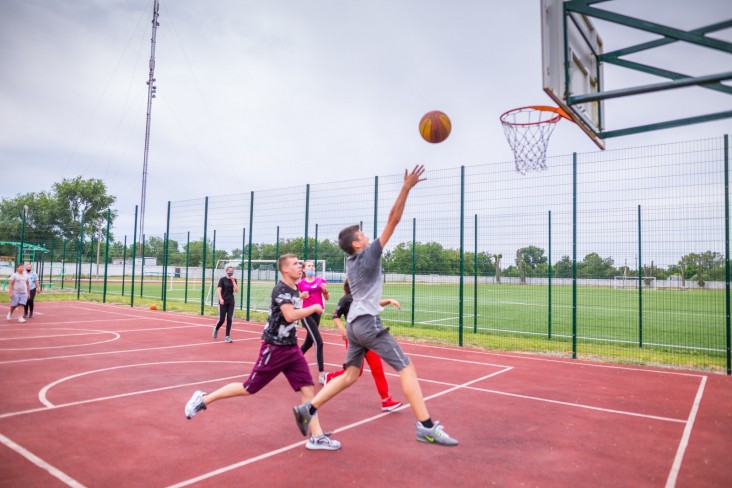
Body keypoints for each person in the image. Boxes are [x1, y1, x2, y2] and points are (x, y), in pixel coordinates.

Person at [293, 165, 458, 447]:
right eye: (362, 234)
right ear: (357, 244)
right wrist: (406, 188)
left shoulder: (351, 261)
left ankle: (307, 409)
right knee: (406, 368)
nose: (367, 236)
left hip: (355, 325)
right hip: (368, 323)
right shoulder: (367, 256)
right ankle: (426, 426)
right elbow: (393, 221)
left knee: (350, 375)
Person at [185, 254, 341, 451]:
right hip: (274, 348)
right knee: (249, 387)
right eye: (295, 264)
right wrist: (313, 308)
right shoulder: (281, 289)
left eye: (301, 264)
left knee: (307, 387)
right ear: (285, 269)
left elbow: (294, 307)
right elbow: (290, 315)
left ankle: (316, 436)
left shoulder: (295, 288)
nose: (300, 267)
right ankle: (203, 399)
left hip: (291, 347)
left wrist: (311, 296)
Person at [325, 279, 402, 412]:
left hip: (369, 339)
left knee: (377, 368)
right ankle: (331, 377)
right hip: (355, 340)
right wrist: (342, 329)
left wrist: (389, 300)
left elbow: (375, 303)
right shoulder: (346, 299)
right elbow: (335, 315)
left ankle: (386, 400)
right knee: (356, 372)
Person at [297, 260, 329, 384]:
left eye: (313, 266)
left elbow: (326, 297)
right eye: (309, 266)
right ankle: (321, 373)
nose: (312, 267)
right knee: (319, 342)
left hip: (317, 313)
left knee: (308, 343)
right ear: (304, 270)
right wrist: (300, 296)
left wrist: (325, 291)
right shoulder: (300, 284)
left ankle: (290, 361)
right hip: (306, 314)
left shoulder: (321, 281)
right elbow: (294, 298)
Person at [212, 265, 239, 343]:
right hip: (223, 301)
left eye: (232, 271)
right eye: (229, 271)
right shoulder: (222, 280)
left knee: (229, 319)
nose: (230, 272)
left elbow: (236, 290)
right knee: (222, 319)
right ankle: (216, 329)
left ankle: (227, 336)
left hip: (231, 301)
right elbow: (218, 290)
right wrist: (220, 298)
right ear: (226, 271)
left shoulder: (234, 280)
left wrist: (233, 281)